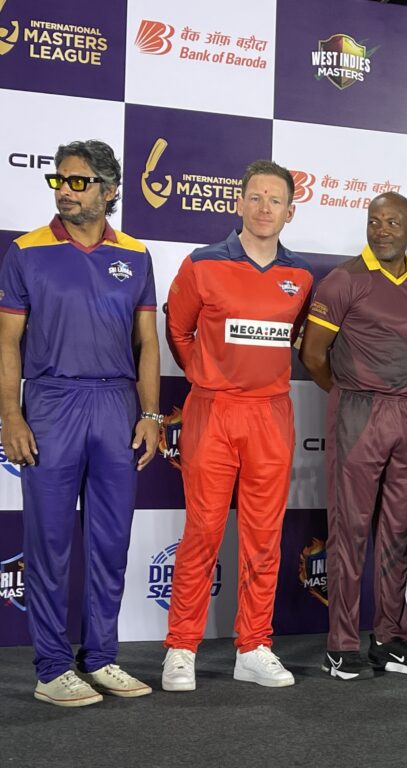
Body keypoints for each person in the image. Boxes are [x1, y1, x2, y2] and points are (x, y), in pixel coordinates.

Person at [0, 140, 160, 706]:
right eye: (59, 181)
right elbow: (8, 342)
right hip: (50, 404)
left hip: (116, 406)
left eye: (77, 182)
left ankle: (101, 658)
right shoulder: (26, 251)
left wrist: (149, 413)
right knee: (48, 543)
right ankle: (50, 668)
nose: (64, 191)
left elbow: (147, 344)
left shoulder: (137, 256)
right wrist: (11, 414)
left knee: (111, 542)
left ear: (109, 190)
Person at [162, 160, 314, 691]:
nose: (265, 208)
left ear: (290, 211)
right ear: (238, 203)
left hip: (271, 414)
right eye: (256, 197)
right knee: (202, 530)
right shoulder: (202, 265)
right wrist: (208, 376)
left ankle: (254, 645)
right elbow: (178, 331)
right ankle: (181, 647)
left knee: (263, 538)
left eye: (276, 200)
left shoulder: (302, 276)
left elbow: (295, 343)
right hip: (213, 411)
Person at [300, 192, 407, 681]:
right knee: (349, 532)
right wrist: (349, 393)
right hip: (357, 411)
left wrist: (393, 394)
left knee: (397, 533)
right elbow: (314, 355)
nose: (382, 229)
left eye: (393, 222)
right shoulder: (344, 279)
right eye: (374, 221)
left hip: (406, 413)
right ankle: (341, 645)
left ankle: (389, 638)